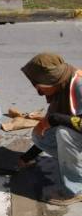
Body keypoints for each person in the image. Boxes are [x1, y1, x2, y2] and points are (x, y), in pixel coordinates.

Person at [18, 53, 82, 206]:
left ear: (50, 81)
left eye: (38, 85)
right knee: (41, 133)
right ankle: (76, 165)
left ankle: (76, 190)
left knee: (64, 133)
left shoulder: (79, 86)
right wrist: (27, 157)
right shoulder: (62, 85)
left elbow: (57, 120)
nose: (37, 90)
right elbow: (47, 129)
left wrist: (53, 119)